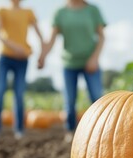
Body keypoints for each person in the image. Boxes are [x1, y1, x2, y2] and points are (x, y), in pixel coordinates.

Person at [38, 0, 106, 142]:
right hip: (69, 63)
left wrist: (94, 58)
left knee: (96, 98)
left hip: (90, 62)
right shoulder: (60, 13)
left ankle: (102, 131)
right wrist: (43, 56)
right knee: (69, 100)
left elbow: (101, 37)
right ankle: (70, 131)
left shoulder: (92, 10)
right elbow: (51, 40)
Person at [0, 0, 44, 139]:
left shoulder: (28, 13)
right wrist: (16, 47)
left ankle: (19, 129)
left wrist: (41, 54)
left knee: (19, 94)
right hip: (5, 57)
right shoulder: (2, 10)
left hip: (22, 60)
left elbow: (39, 35)